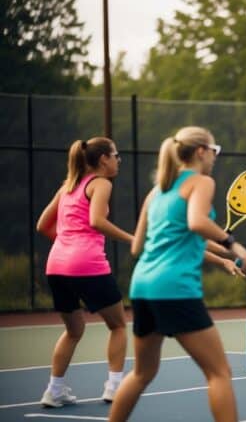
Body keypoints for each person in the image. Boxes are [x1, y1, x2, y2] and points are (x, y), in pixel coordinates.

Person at [108, 126, 246, 422]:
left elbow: (138, 246)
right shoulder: (201, 182)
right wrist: (233, 245)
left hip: (143, 287)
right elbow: (197, 221)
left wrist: (221, 254)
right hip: (174, 288)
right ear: (200, 151)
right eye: (214, 150)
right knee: (219, 373)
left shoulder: (157, 191)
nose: (215, 156)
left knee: (141, 373)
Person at [36, 137, 133, 407]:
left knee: (74, 330)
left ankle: (54, 391)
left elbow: (43, 225)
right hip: (87, 264)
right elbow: (97, 221)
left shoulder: (66, 187)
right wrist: (131, 239)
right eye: (115, 155)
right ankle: (114, 387)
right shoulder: (101, 183)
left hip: (56, 267)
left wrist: (67, 244)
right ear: (103, 159)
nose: (118, 160)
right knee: (117, 325)